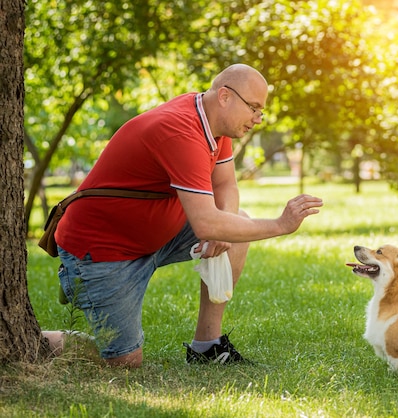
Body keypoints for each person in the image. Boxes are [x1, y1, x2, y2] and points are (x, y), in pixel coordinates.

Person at [42, 64, 323, 368]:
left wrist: (220, 230)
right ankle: (35, 335)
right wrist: (280, 225)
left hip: (154, 236)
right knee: (123, 362)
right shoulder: (180, 130)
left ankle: (207, 347)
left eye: (261, 110)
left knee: (235, 222)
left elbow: (225, 184)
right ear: (225, 96)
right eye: (254, 107)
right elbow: (204, 222)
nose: (258, 118)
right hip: (102, 252)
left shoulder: (215, 123)